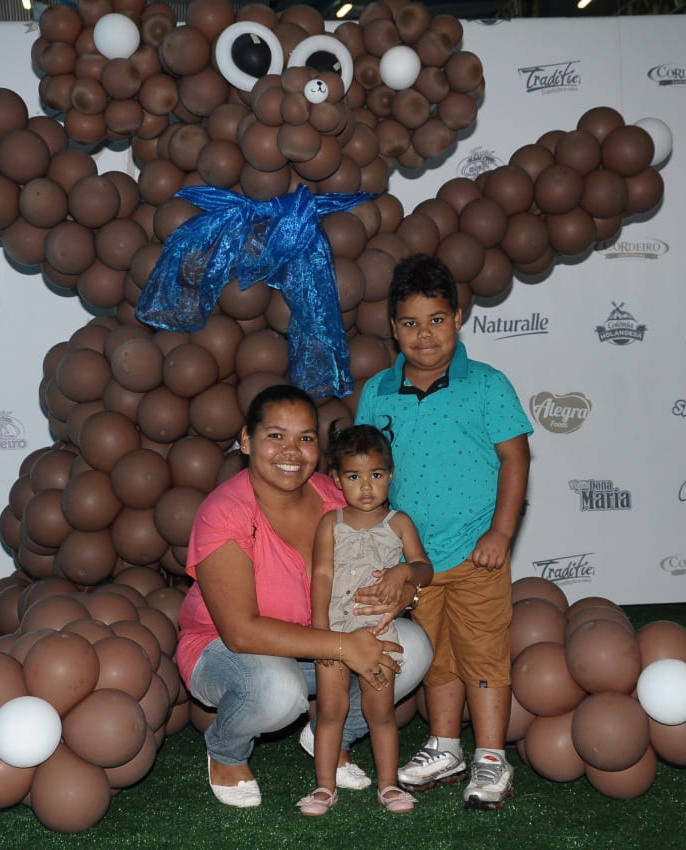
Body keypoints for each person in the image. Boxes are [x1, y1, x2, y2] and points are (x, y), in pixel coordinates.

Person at [174, 384, 433, 809]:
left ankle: (331, 735)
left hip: (324, 640)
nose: (291, 451)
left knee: (411, 647)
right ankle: (226, 753)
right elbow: (240, 633)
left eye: (306, 437)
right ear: (246, 440)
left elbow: (395, 561)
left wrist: (401, 592)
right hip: (228, 650)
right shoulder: (225, 512)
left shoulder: (336, 495)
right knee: (277, 689)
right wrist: (343, 646)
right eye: (276, 435)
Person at [353, 253, 533, 811]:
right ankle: (446, 746)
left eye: (436, 320)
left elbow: (516, 459)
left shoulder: (487, 384)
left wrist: (501, 533)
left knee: (483, 652)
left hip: (477, 553)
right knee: (435, 656)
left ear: (458, 318)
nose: (424, 334)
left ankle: (492, 757)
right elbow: (366, 472)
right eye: (410, 323)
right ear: (393, 328)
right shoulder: (377, 392)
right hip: (415, 561)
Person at [301, 425, 433, 815]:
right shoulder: (331, 523)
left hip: (379, 632)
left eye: (375, 474)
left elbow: (425, 569)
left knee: (380, 712)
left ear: (390, 474)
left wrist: (404, 571)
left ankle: (388, 785)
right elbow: (321, 574)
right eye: (354, 477)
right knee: (330, 711)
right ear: (337, 479)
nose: (366, 487)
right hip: (335, 634)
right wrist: (320, 632)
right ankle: (324, 788)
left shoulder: (399, 522)